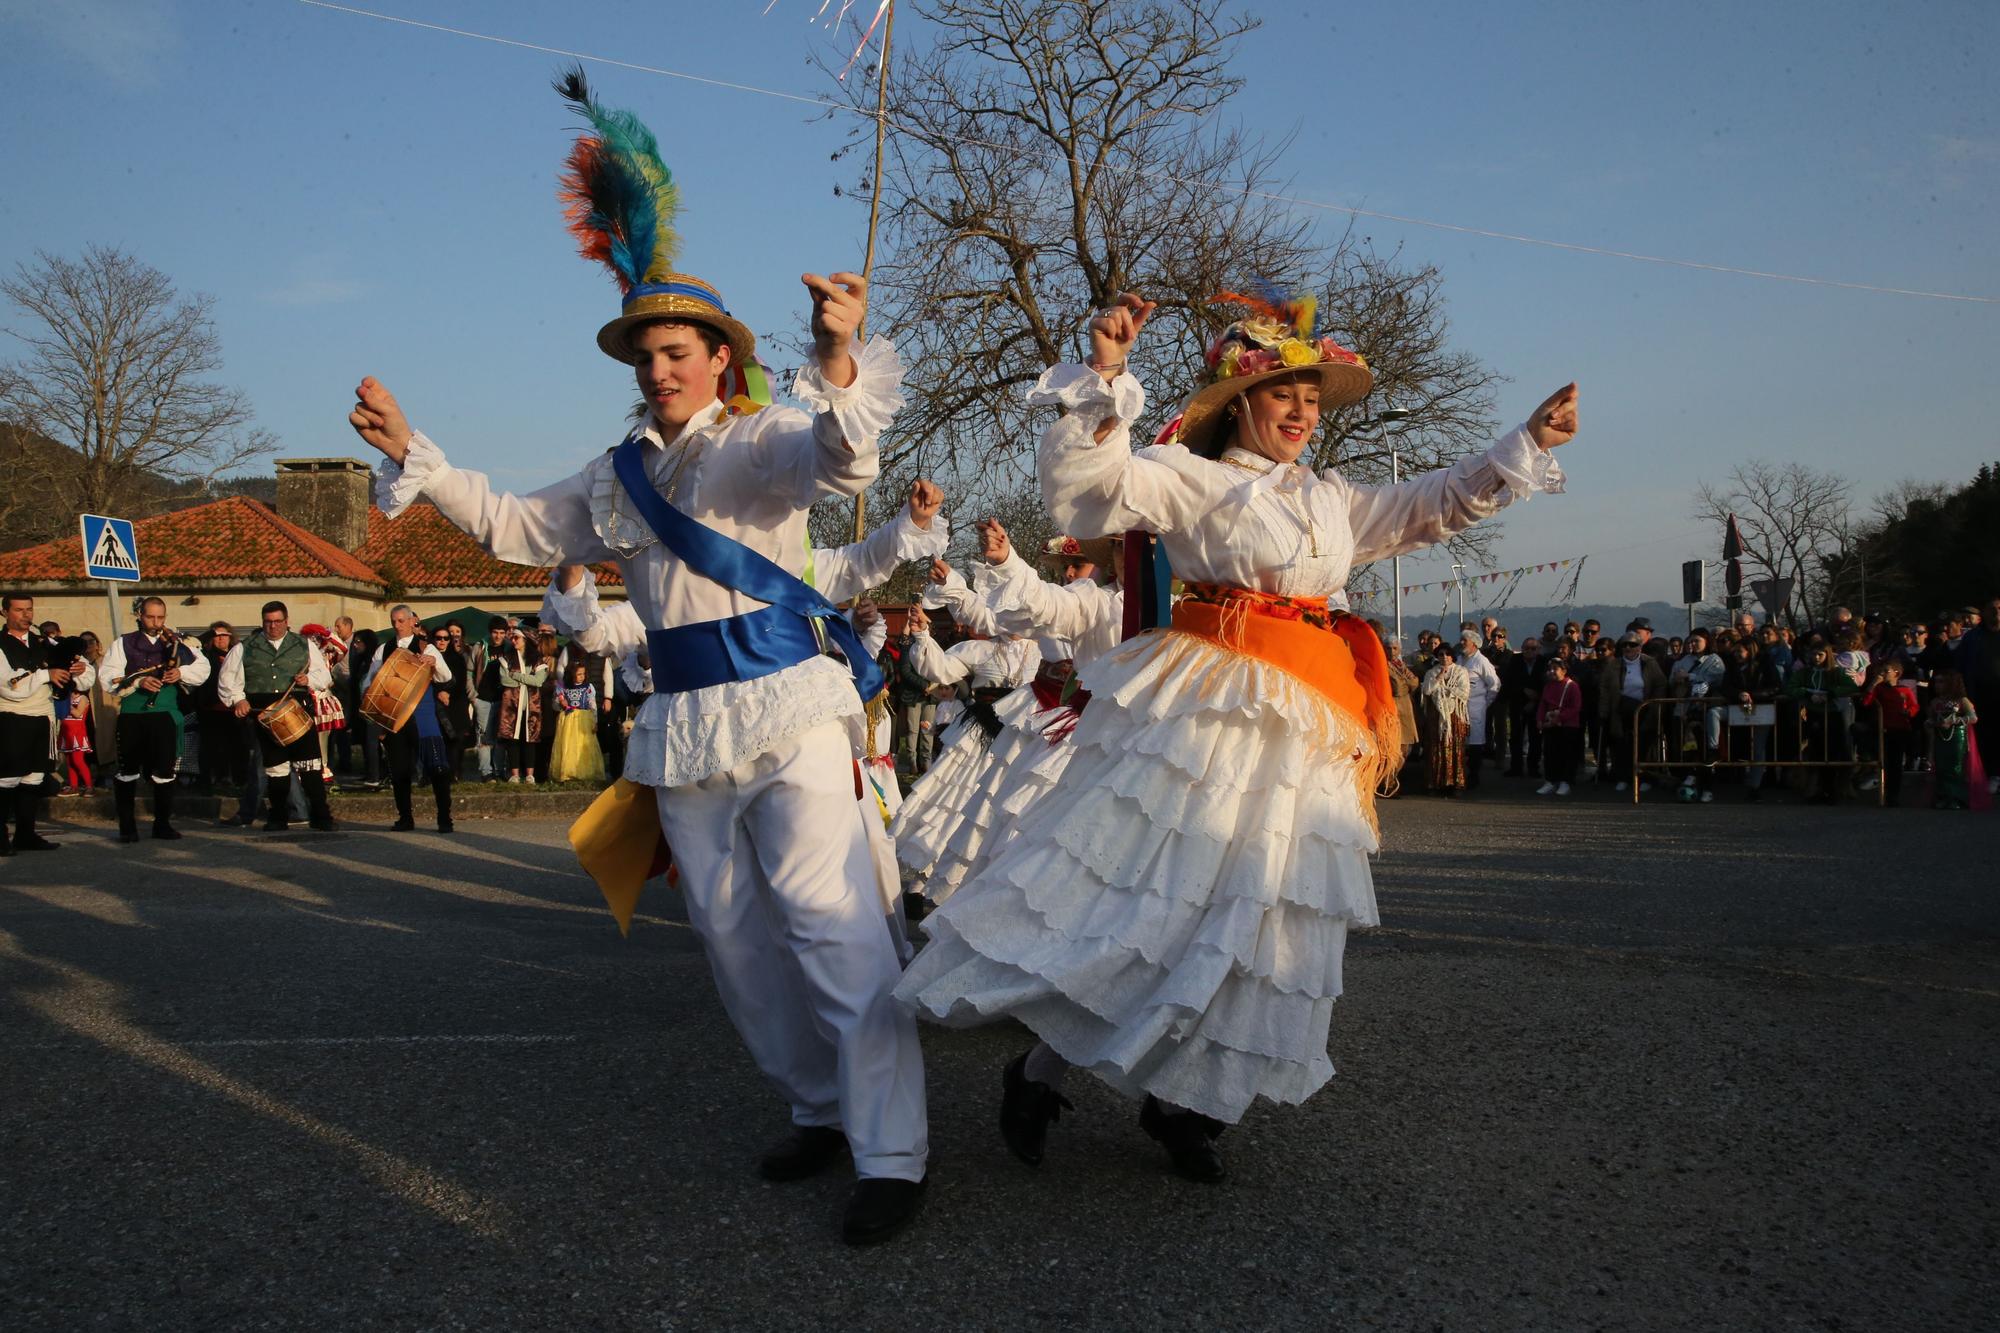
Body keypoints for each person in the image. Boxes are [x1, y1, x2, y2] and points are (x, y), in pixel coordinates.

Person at [344, 70, 928, 1243]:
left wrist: (838, 349)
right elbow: (515, 526)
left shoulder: (763, 441)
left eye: (680, 351)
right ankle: (816, 1105)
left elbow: (843, 461)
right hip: (684, 724)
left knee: (830, 924)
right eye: (647, 354)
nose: (661, 369)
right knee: (733, 945)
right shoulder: (612, 479)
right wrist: (420, 451)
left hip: (789, 708)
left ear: (720, 358)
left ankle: (893, 1152)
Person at [895, 289, 1574, 1181]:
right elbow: (1088, 490)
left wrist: (1526, 441)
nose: (1302, 411)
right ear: (1240, 403)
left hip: (1304, 723)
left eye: (1313, 398)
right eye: (1285, 393)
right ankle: (1040, 1068)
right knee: (1152, 900)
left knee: (1257, 919)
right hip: (1211, 710)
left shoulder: (1335, 500)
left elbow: (1433, 504)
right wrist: (1104, 376)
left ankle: (1183, 1102)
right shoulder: (1192, 476)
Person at [216, 600, 338, 832]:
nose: (273, 626)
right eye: (268, 622)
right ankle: (278, 817)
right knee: (276, 769)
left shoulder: (304, 645)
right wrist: (238, 700)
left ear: (286, 621)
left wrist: (309, 680)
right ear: (263, 622)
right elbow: (227, 680)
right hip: (265, 713)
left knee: (311, 768)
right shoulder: (244, 647)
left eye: (277, 621)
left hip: (297, 710)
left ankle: (322, 817)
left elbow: (324, 676)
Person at [98, 596, 211, 841]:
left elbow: (203, 667)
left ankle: (162, 825)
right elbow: (108, 676)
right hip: (133, 714)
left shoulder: (177, 643)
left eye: (161, 617)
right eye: (151, 616)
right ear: (140, 615)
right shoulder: (124, 643)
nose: (156, 622)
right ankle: (127, 828)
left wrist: (180, 672)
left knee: (165, 770)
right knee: (128, 770)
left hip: (165, 714)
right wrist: (139, 681)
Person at [1, 593, 95, 853]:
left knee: (34, 777)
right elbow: (9, 685)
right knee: (7, 778)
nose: (26, 615)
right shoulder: (0, 644)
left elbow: (83, 671)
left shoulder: (44, 642)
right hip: (11, 717)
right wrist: (46, 674)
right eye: (19, 610)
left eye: (29, 609)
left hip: (43, 716)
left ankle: (26, 835)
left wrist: (78, 670)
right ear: (5, 612)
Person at [360, 606, 457, 832]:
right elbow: (369, 682)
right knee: (400, 771)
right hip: (394, 718)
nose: (397, 625)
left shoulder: (427, 646)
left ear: (413, 621)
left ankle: (445, 818)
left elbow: (447, 676)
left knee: (438, 769)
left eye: (402, 620)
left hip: (423, 716)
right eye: (394, 621)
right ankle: (405, 817)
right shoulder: (383, 649)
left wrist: (433, 663)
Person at [1785, 641, 1857, 806]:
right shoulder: (1805, 672)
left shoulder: (1835, 672)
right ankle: (1819, 789)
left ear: (1827, 655)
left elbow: (1851, 687)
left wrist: (1831, 693)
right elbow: (1790, 688)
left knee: (1832, 753)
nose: (1816, 658)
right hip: (1813, 715)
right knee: (1816, 752)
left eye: (1820, 654)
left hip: (1832, 715)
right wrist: (1808, 694)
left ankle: (1832, 790)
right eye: (1814, 654)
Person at [1601, 635, 1666, 792]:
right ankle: (1624, 777)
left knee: (1645, 744)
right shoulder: (1614, 664)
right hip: (1620, 708)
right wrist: (1603, 709)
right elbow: (1604, 686)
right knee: (1622, 744)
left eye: (1633, 644)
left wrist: (1654, 705)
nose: (1628, 648)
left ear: (1640, 646)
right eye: (1625, 645)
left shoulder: (1649, 663)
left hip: (1644, 708)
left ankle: (1646, 778)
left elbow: (1660, 684)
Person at [1858, 660, 1919, 806]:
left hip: (1900, 728)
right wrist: (1873, 684)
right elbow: (1866, 702)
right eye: (1882, 671)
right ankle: (1883, 793)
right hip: (1883, 728)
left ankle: (1893, 795)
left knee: (1896, 763)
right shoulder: (1879, 689)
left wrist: (1908, 712)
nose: (1883, 674)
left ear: (1896, 673)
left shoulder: (1904, 690)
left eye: (1886, 671)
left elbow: (1914, 706)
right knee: (1884, 761)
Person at [493, 628, 546, 784]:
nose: (513, 640)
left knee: (530, 740)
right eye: (513, 638)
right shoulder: (506, 658)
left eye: (517, 638)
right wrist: (527, 678)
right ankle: (515, 774)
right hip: (511, 706)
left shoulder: (537, 659)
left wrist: (515, 675)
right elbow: (505, 681)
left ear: (526, 640)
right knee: (513, 740)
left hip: (531, 706)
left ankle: (530, 774)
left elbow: (539, 681)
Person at [1421, 645, 1473, 796]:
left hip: (1455, 715)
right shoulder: (1431, 673)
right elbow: (1427, 691)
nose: (1444, 657)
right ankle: (1435, 783)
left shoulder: (1461, 672)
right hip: (1436, 716)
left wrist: (1445, 691)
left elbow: (1464, 692)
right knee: (1435, 748)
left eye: (1447, 654)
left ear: (1452, 656)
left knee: (1455, 746)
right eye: (1441, 654)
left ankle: (1456, 784)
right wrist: (1439, 678)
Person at [1926, 669, 1982, 809]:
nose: (1937, 685)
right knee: (1941, 767)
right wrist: (1931, 723)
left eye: (1941, 682)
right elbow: (1929, 719)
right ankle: (1943, 796)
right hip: (1940, 737)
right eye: (1936, 682)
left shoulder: (1962, 700)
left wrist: (1955, 720)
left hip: (1957, 737)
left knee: (1956, 767)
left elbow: (1973, 717)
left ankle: (1957, 798)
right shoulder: (1935, 702)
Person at [1457, 629, 1501, 792]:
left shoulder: (1481, 661)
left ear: (1474, 644)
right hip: (1459, 706)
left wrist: (1485, 702)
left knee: (1475, 742)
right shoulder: (1459, 659)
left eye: (1465, 641)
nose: (1462, 643)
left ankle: (1474, 775)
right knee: (1461, 742)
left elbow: (1494, 684)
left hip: (1476, 706)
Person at [550, 660, 607, 783]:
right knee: (568, 745)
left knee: (582, 745)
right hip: (568, 720)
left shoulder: (588, 687)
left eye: (583, 674)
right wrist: (560, 701)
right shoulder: (563, 687)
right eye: (579, 674)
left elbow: (592, 705)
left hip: (583, 719)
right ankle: (568, 771)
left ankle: (585, 772)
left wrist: (595, 721)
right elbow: (555, 705)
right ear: (571, 675)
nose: (582, 676)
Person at [1500, 635, 1547, 777]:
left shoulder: (1544, 662)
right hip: (1518, 704)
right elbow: (1508, 682)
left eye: (1533, 648)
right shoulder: (1515, 661)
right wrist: (1523, 690)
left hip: (1537, 705)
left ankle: (1533, 768)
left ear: (1538, 650)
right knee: (1516, 737)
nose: (1530, 651)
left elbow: (1546, 684)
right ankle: (1516, 767)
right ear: (1522, 649)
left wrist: (1535, 700)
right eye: (1526, 648)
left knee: (1535, 739)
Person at [1535, 656, 1583, 795]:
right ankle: (1550, 780)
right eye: (1549, 669)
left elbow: (1575, 707)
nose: (1551, 672)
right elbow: (1543, 704)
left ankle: (1565, 781)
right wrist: (1539, 719)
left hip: (1568, 725)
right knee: (1550, 753)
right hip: (1550, 724)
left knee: (1567, 754)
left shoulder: (1572, 686)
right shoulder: (1548, 686)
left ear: (1564, 670)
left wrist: (1559, 717)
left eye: (1555, 669)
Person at [474, 617, 508, 780]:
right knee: (484, 736)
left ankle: (499, 770)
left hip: (502, 698)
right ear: (490, 632)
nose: (498, 636)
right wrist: (473, 695)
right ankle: (486, 772)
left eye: (502, 633)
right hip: (483, 698)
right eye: (495, 632)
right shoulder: (480, 647)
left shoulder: (509, 649)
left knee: (500, 736)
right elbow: (469, 671)